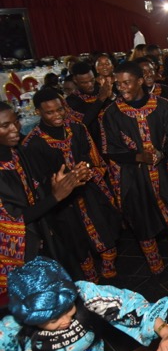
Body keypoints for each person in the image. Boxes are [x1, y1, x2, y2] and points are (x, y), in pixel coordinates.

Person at [0, 256, 168, 351]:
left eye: (68, 310)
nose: (65, 321)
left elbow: (129, 305)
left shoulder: (84, 294)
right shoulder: (8, 331)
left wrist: (165, 332)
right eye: (54, 320)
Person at [100, 61, 168, 274]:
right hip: (134, 177)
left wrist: (162, 153)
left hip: (166, 171)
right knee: (142, 220)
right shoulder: (111, 113)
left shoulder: (163, 105)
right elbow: (111, 149)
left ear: (140, 81)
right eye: (118, 84)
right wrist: (138, 157)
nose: (121, 88)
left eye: (127, 83)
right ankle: (155, 265)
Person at [23, 89, 121, 281]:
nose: (57, 115)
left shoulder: (77, 128)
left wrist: (87, 169)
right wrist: (58, 185)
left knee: (106, 231)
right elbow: (36, 182)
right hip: (63, 204)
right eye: (50, 112)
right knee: (77, 243)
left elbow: (93, 158)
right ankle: (90, 280)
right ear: (38, 112)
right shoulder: (32, 144)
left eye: (60, 109)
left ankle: (109, 267)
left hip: (89, 191)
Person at [0, 103, 88, 305]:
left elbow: (33, 192)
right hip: (18, 249)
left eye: (15, 121)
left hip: (42, 230)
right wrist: (55, 197)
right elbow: (13, 220)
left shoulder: (17, 152)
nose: (15, 129)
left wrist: (54, 188)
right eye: (5, 126)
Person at [67, 61, 114, 145]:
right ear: (75, 80)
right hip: (92, 144)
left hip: (112, 141)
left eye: (92, 80)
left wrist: (111, 96)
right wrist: (100, 99)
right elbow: (83, 123)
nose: (90, 85)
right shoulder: (72, 100)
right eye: (84, 82)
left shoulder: (102, 90)